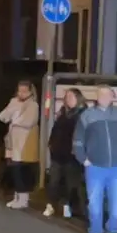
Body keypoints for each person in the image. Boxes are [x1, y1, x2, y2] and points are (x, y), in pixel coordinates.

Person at [72, 85, 117, 233]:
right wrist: (83, 158)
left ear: (112, 97)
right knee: (94, 201)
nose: (104, 97)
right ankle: (95, 230)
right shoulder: (87, 115)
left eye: (107, 94)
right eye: (101, 94)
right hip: (95, 166)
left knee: (116, 202)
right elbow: (78, 139)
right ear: (97, 97)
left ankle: (113, 229)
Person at [0, 81, 41, 209]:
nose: (21, 94)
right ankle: (16, 197)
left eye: (24, 91)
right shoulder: (14, 102)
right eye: (19, 91)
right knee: (14, 170)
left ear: (30, 92)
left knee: (21, 170)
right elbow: (3, 116)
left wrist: (15, 119)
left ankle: (23, 199)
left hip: (25, 141)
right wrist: (13, 110)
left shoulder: (33, 105)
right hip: (12, 141)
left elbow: (29, 121)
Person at [44, 88, 86, 218]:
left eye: (71, 97)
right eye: (67, 97)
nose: (68, 99)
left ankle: (72, 209)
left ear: (78, 98)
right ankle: (51, 205)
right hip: (57, 154)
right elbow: (55, 130)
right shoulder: (62, 113)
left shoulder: (83, 114)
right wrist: (51, 144)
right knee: (53, 182)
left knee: (71, 184)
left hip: (72, 156)